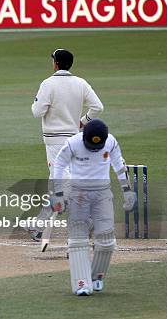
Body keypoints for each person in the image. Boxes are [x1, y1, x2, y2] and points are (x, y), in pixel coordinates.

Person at [51, 119, 135, 296]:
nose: (95, 149)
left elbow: (119, 165)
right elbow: (58, 165)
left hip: (102, 194)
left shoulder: (110, 141)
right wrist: (58, 194)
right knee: (78, 240)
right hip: (78, 194)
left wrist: (127, 190)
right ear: (84, 138)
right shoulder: (73, 143)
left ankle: (96, 276)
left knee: (106, 241)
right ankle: (81, 283)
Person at [30, 49, 104, 246]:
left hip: (55, 142)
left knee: (62, 184)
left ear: (55, 64)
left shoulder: (48, 83)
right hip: (74, 139)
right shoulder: (81, 83)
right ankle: (39, 226)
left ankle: (87, 221)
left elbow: (37, 112)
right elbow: (98, 107)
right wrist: (82, 122)